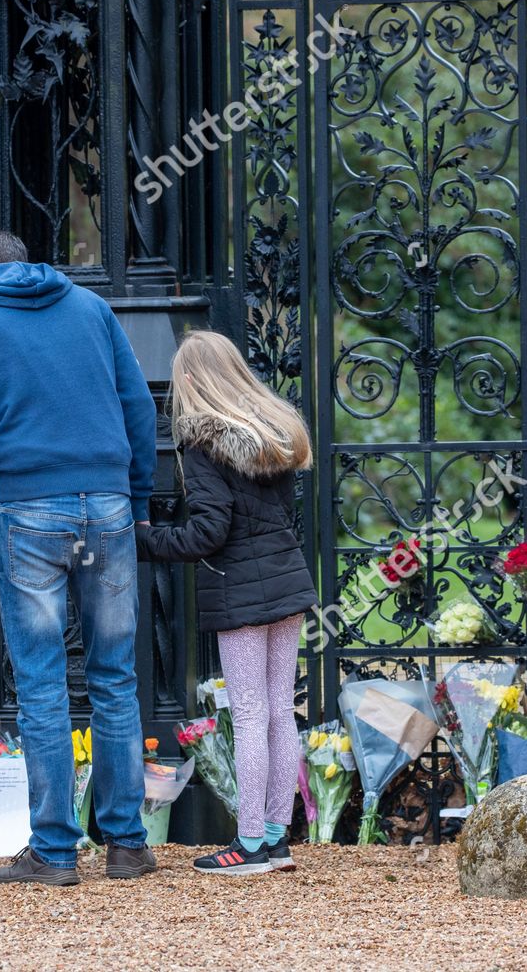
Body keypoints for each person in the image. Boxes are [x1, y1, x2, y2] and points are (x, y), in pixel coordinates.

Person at [0, 231, 158, 884]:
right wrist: (136, 494)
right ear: (24, 262)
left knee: (41, 679)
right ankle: (127, 843)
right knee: (115, 674)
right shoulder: (87, 306)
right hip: (107, 501)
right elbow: (138, 406)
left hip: (27, 503)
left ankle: (55, 850)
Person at [135, 330, 315, 875]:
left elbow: (208, 532)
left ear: (190, 381)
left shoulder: (204, 444)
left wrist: (142, 538)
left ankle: (251, 842)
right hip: (286, 586)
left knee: (253, 714)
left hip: (239, 595)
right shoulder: (274, 434)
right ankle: (278, 837)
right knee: (282, 713)